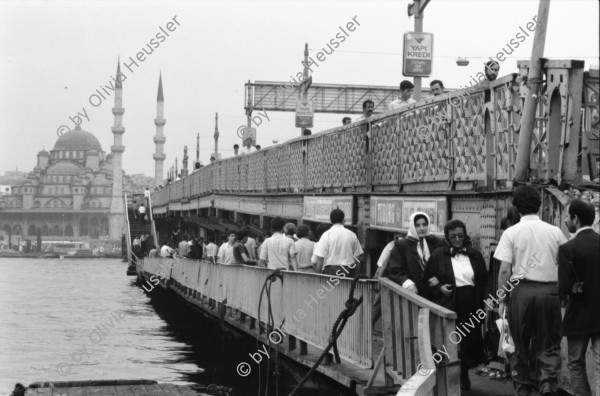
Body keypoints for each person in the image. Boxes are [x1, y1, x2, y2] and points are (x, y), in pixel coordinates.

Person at [494, 185, 568, 396]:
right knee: (549, 341)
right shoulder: (555, 232)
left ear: (516, 208)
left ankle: (523, 387)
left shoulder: (511, 232)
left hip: (521, 293)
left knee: (518, 341)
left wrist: (502, 300)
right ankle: (547, 385)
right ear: (540, 205)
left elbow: (505, 270)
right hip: (549, 292)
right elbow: (563, 264)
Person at [423, 219, 488, 391]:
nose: (457, 239)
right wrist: (439, 287)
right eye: (453, 236)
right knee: (449, 341)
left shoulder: (475, 255)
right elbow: (427, 278)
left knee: (467, 341)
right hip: (449, 303)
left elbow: (484, 280)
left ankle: (464, 376)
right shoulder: (438, 255)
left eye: (460, 235)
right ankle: (445, 378)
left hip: (471, 304)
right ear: (447, 237)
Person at [558, 198, 600, 396]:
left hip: (578, 315)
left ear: (576, 218)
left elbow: (564, 287)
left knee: (575, 363)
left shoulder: (568, 249)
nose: (567, 221)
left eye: (567, 216)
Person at [388, 212, 444, 296]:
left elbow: (444, 264)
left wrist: (439, 280)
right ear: (412, 226)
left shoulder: (437, 242)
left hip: (435, 293)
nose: (422, 228)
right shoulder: (402, 245)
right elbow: (395, 270)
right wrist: (407, 283)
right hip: (413, 293)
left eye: (424, 224)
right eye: (417, 225)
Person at [314, 209, 363, 277]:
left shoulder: (326, 235)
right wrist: (357, 276)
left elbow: (320, 258)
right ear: (343, 220)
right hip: (348, 271)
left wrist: (316, 276)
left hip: (331, 272)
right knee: (347, 287)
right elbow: (358, 257)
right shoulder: (352, 235)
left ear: (331, 220)